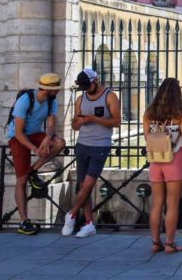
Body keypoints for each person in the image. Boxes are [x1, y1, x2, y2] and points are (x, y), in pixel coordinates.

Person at [62, 68, 120, 238]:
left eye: (88, 85)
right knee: (82, 186)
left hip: (100, 145)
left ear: (96, 80)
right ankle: (88, 223)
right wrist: (78, 122)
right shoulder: (80, 99)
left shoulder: (110, 96)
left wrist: (94, 119)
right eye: (83, 87)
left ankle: (71, 214)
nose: (86, 89)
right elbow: (74, 125)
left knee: (88, 184)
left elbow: (116, 121)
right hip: (82, 144)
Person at [6, 72, 66, 235]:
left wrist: (47, 139)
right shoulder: (24, 101)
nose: (59, 92)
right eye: (57, 89)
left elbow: (51, 124)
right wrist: (35, 148)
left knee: (59, 143)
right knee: (21, 179)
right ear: (48, 90)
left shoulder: (51, 100)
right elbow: (18, 133)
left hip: (35, 133)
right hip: (18, 137)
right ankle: (24, 221)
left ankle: (33, 171)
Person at [143, 78, 182, 254]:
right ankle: (170, 243)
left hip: (156, 160)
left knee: (156, 203)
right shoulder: (180, 113)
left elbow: (147, 137)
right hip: (174, 159)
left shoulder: (149, 112)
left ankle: (155, 242)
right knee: (172, 204)